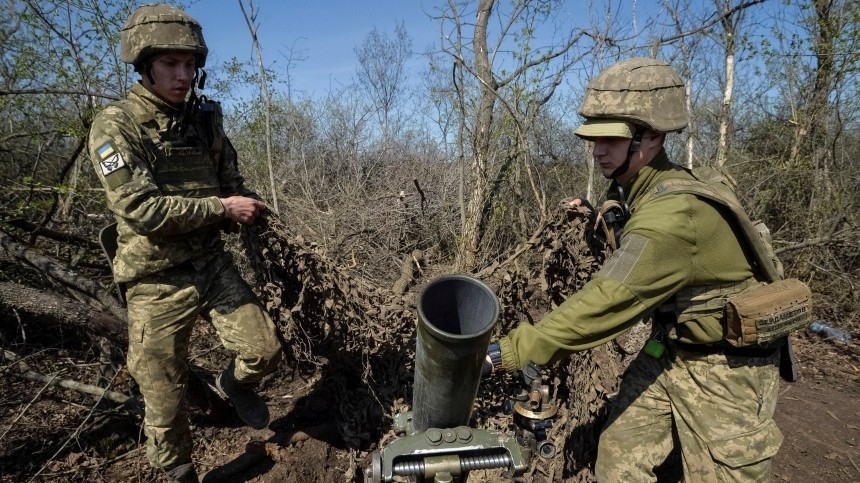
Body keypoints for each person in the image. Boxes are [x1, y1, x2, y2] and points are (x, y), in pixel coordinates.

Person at [484, 57, 788, 481]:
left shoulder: (673, 217)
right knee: (619, 458)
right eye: (593, 139)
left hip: (729, 370)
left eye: (610, 139)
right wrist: (604, 213)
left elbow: (610, 299)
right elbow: (639, 231)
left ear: (653, 137)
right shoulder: (650, 185)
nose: (596, 151)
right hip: (672, 349)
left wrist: (509, 352)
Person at [87, 4, 281, 482]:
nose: (183, 75)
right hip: (155, 278)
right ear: (144, 64)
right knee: (163, 395)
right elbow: (141, 210)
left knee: (264, 350)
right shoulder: (116, 126)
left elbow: (232, 181)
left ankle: (233, 385)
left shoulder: (205, 120)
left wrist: (255, 210)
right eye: (171, 64)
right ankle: (180, 474)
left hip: (209, 263)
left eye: (190, 65)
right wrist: (221, 209)